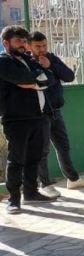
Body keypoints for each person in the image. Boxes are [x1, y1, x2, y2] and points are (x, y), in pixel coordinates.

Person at [29, 31, 84, 198]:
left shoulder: (51, 58)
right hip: (39, 113)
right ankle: (45, 184)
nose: (42, 49)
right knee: (42, 150)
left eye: (44, 45)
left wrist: (50, 65)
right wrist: (43, 68)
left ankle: (73, 179)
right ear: (29, 46)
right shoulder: (27, 62)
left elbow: (69, 76)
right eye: (38, 46)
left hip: (56, 110)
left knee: (63, 146)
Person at [0, 25, 57, 214]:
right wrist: (35, 79)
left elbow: (50, 78)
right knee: (16, 160)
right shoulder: (3, 62)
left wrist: (35, 81)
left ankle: (31, 192)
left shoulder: (28, 60)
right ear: (6, 43)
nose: (23, 45)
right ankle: (14, 200)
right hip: (16, 119)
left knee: (34, 157)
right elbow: (24, 80)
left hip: (37, 116)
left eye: (25, 41)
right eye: (18, 41)